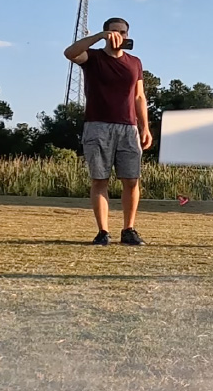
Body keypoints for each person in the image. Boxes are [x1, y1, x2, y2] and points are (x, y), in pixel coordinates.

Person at [64, 17, 153, 245]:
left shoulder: (135, 62)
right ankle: (103, 231)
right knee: (99, 180)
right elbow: (70, 52)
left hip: (128, 127)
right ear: (106, 33)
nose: (118, 36)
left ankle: (129, 229)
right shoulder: (92, 57)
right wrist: (98, 38)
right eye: (114, 32)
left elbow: (139, 96)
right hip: (97, 125)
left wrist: (145, 127)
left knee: (132, 179)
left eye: (123, 32)